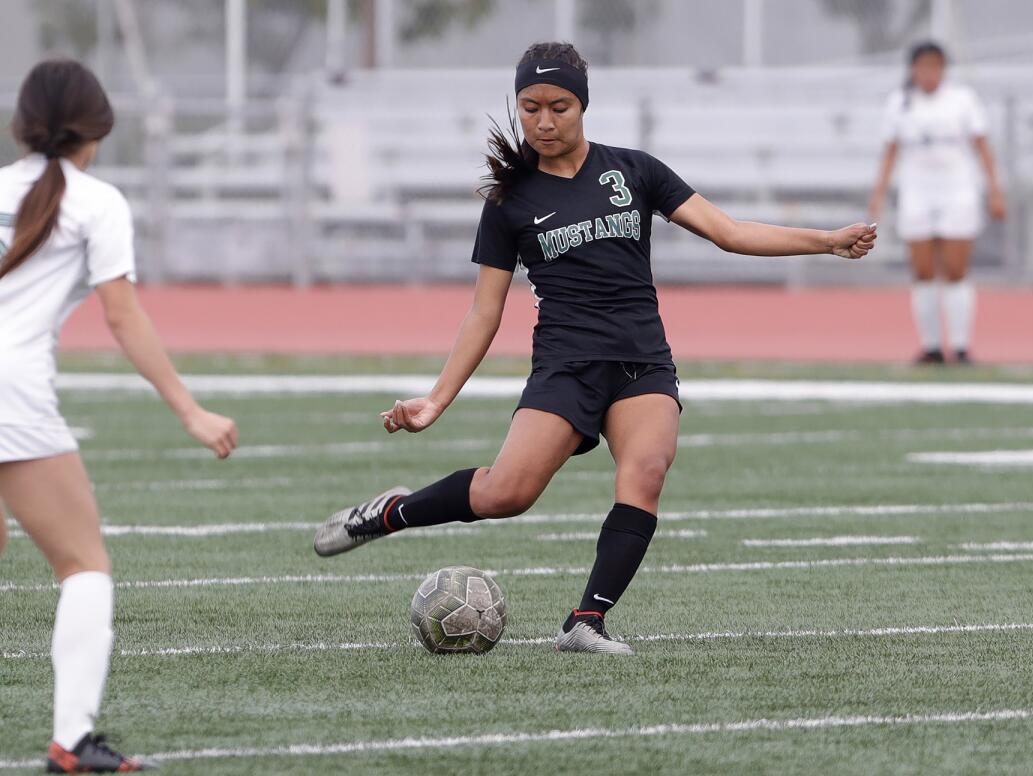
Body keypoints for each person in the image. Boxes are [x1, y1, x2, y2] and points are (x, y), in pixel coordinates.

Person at [314, 41, 875, 654]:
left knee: (646, 472)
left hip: (642, 362)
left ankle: (586, 622)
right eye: (531, 108)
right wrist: (436, 400)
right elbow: (485, 310)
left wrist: (825, 240)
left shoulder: (634, 170)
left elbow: (730, 233)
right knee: (508, 494)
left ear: (583, 106)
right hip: (566, 366)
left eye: (560, 106)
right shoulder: (509, 202)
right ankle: (389, 513)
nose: (544, 121)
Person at [0, 59, 238, 773]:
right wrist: (190, 410)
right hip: (11, 390)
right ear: (96, 129)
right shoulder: (96, 201)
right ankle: (72, 743)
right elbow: (123, 318)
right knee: (84, 566)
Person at [868, 41, 1006, 365]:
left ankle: (960, 347)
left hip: (957, 191)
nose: (929, 74)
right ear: (913, 69)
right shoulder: (900, 103)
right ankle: (931, 347)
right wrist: (879, 193)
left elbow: (982, 146)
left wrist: (994, 190)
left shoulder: (962, 100)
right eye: (923, 66)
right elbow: (890, 151)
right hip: (917, 192)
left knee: (956, 269)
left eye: (936, 66)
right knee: (923, 269)